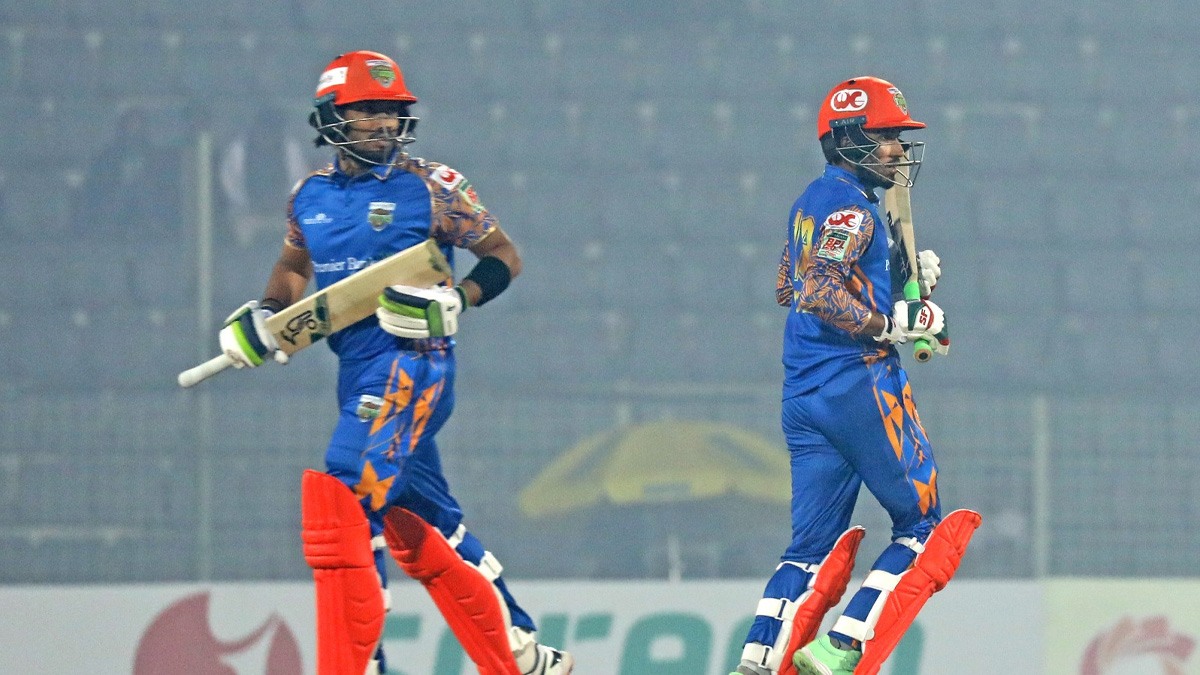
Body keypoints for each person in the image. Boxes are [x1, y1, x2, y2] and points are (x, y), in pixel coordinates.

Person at [215, 50, 573, 675]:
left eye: (392, 111)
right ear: (332, 116)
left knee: (346, 487)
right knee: (421, 522)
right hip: (356, 369)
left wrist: (458, 299)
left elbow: (503, 255)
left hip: (415, 364)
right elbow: (295, 265)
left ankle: (358, 665)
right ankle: (520, 652)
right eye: (367, 110)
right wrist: (266, 314)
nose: (383, 123)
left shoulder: (433, 186)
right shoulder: (308, 195)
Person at [729, 77, 981, 675]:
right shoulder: (852, 207)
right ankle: (842, 645)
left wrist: (893, 275)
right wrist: (892, 325)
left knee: (809, 549)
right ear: (848, 140)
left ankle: (759, 658)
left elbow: (788, 286)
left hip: (804, 390)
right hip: (859, 382)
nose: (898, 148)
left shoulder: (812, 199)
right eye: (886, 135)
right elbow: (820, 291)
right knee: (923, 527)